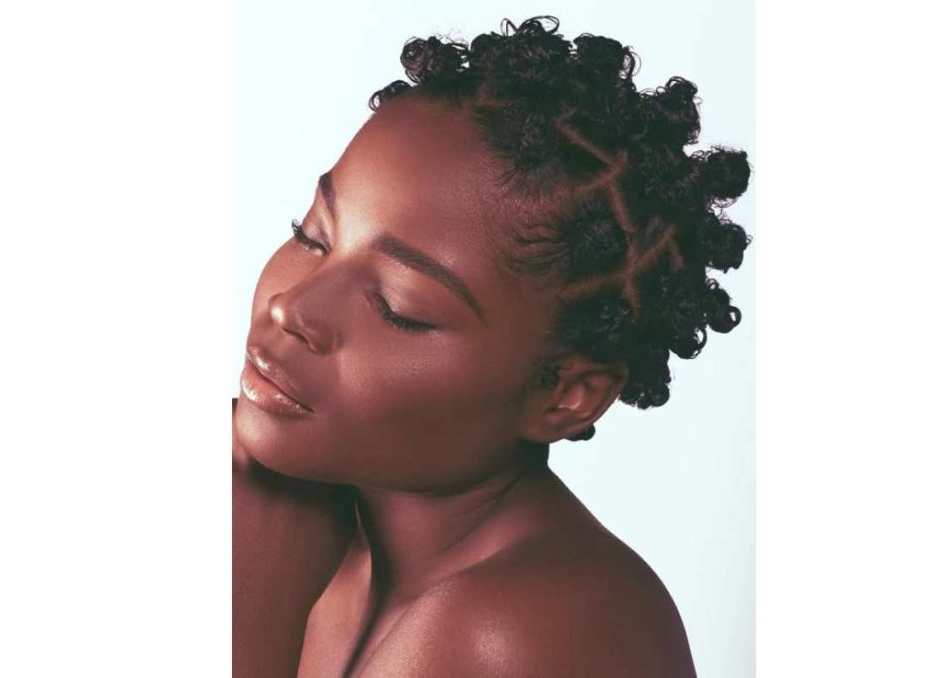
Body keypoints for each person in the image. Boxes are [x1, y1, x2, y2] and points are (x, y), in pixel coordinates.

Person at [233, 15, 751, 677]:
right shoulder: (309, 528)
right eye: (314, 237)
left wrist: (249, 618)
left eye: (399, 308)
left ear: (569, 394)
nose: (292, 307)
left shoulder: (527, 629)